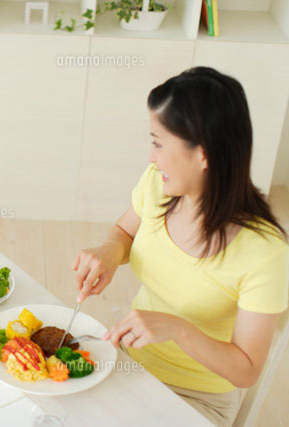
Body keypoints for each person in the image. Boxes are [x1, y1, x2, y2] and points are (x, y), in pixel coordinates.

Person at [72, 67, 288, 426]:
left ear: (203, 155)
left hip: (197, 398)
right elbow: (124, 232)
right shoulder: (159, 185)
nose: (151, 157)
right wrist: (109, 251)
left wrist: (177, 329)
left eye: (158, 143)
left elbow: (246, 370)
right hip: (126, 363)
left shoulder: (264, 251)